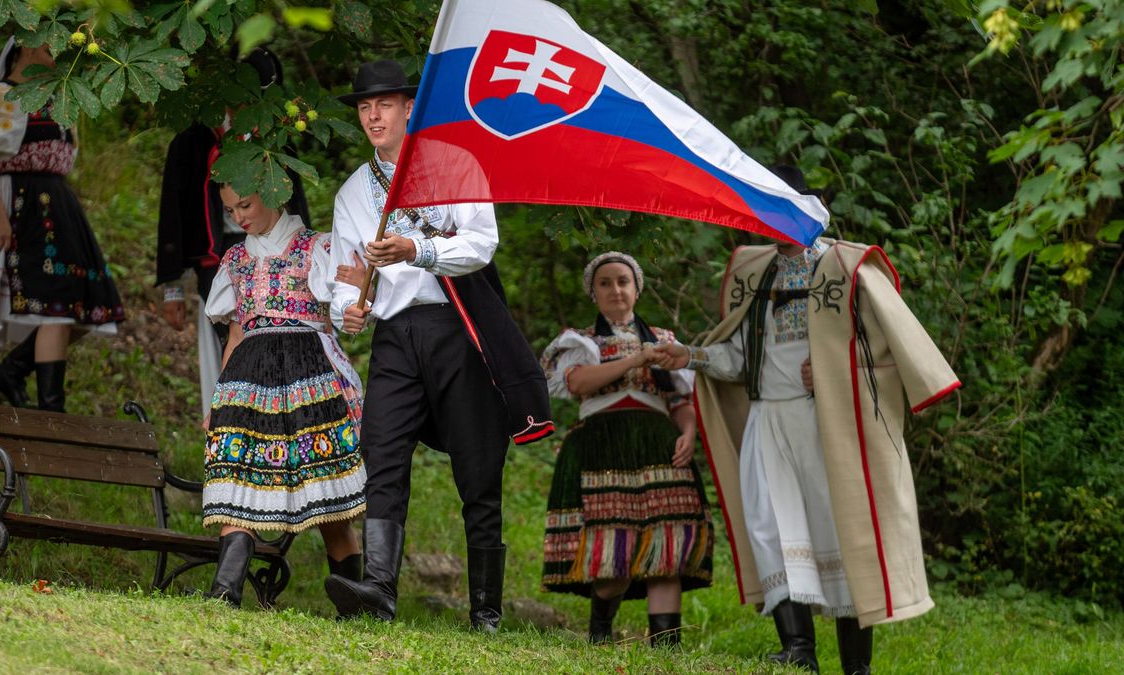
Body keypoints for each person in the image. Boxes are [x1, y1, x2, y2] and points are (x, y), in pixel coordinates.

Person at [656, 166, 961, 674]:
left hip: (828, 426)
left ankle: (856, 667)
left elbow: (886, 355)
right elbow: (739, 358)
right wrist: (690, 356)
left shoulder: (846, 267)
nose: (768, 220)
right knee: (770, 528)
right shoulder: (755, 273)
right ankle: (798, 652)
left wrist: (836, 371)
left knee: (840, 533)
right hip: (766, 422)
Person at [322, 59, 553, 632]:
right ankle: (379, 588)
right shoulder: (354, 191)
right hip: (397, 336)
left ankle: (486, 609)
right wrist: (345, 309)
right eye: (363, 107)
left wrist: (416, 250)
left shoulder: (454, 163)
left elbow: (482, 243)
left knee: (477, 466)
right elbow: (342, 274)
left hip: (458, 326)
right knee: (383, 451)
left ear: (408, 109)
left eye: (384, 104)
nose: (372, 115)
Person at [201, 182, 366, 607]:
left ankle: (354, 605)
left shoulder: (318, 247)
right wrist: (219, 400)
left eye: (245, 205)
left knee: (330, 498)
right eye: (230, 210)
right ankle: (224, 595)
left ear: (273, 194)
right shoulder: (236, 258)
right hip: (247, 378)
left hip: (308, 374)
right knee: (238, 481)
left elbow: (337, 315)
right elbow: (236, 331)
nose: (238, 217)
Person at [539, 252, 713, 647]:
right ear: (593, 293)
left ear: (637, 289)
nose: (615, 289)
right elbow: (580, 384)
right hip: (603, 447)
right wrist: (638, 358)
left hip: (660, 447)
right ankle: (601, 627)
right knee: (612, 556)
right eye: (605, 283)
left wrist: (688, 433)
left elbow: (682, 402)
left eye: (623, 281)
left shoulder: (667, 342)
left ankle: (666, 649)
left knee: (666, 548)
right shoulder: (582, 340)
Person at [0, 38, 125, 412]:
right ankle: (51, 408)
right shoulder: (0, 96)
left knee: (86, 305)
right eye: (52, 50)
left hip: (59, 205)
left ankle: (12, 371)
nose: (59, 59)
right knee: (58, 308)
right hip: (21, 204)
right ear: (29, 49)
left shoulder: (60, 98)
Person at [156, 47, 311, 417]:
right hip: (217, 255)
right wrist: (172, 287)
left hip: (278, 253)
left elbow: (293, 202)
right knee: (232, 336)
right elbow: (172, 215)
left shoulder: (273, 139)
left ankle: (275, 419)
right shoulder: (193, 141)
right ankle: (232, 421)